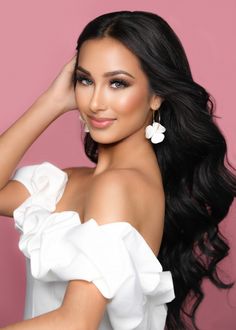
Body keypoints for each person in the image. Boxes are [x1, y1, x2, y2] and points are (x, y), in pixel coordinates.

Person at [0, 10, 235, 330]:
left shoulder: (119, 187)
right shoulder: (69, 181)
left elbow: (77, 322)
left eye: (117, 83)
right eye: (85, 80)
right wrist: (52, 102)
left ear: (156, 95)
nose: (95, 102)